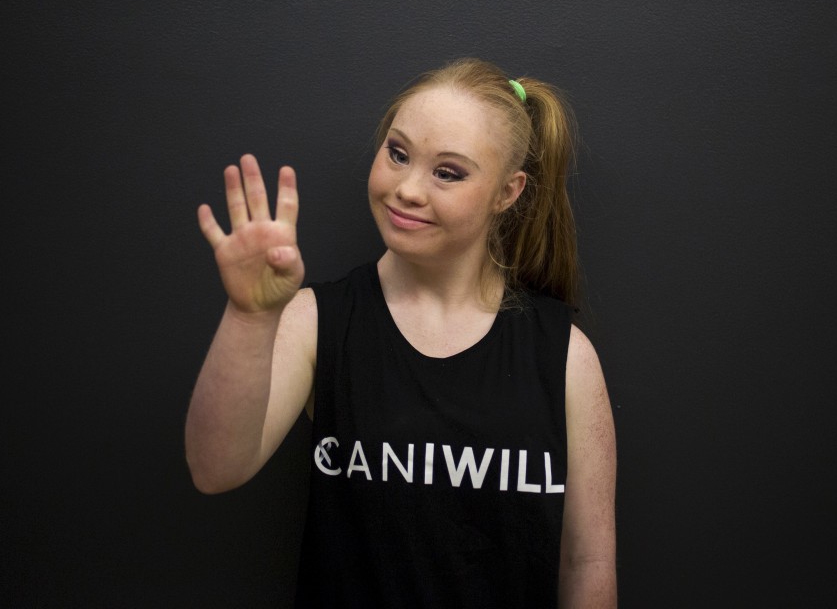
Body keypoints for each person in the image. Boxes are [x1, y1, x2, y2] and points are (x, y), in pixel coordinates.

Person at [185, 58, 617, 607]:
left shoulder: (565, 359)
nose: (408, 189)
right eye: (398, 153)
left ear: (508, 193)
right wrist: (250, 316)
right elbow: (213, 468)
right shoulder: (317, 321)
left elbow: (588, 562)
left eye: (448, 172)